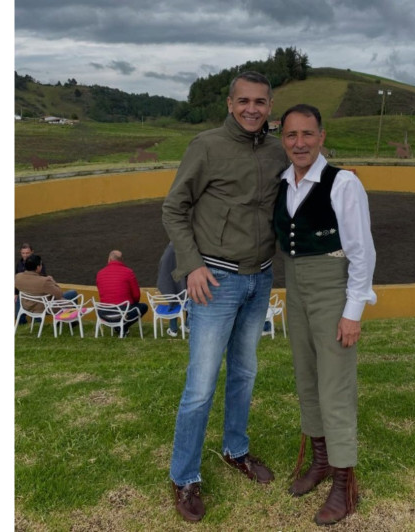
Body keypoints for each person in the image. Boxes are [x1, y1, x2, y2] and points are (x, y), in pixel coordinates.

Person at [162, 71, 289, 522]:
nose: (252, 108)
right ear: (230, 103)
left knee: (245, 373)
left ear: (269, 105)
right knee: (200, 386)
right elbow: (174, 206)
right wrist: (191, 265)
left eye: (260, 101)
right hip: (215, 279)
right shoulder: (207, 146)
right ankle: (185, 476)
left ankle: (236, 448)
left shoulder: (278, 150)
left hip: (261, 277)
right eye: (244, 101)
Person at [274, 104, 377, 526]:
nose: (299, 143)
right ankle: (319, 461)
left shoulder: (343, 183)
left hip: (332, 289)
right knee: (307, 378)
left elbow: (362, 251)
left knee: (335, 385)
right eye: (291, 135)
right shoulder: (281, 182)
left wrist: (352, 312)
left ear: (321, 136)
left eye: (307, 134)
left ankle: (343, 482)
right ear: (283, 139)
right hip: (295, 288)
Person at [15, 243, 76, 324]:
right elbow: (59, 294)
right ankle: (72, 321)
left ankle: (22, 322)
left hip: (26, 305)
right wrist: (52, 281)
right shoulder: (44, 281)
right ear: (38, 267)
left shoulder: (18, 277)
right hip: (42, 307)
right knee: (72, 293)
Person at [95, 250, 148, 338]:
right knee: (143, 307)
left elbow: (101, 292)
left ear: (109, 259)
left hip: (103, 312)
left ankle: (118, 327)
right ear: (121, 260)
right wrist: (133, 302)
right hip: (123, 311)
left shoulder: (100, 274)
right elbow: (136, 295)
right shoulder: (128, 272)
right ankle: (122, 327)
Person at [156, 241, 186, 337]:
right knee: (188, 298)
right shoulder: (186, 249)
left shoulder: (169, 250)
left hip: (172, 279)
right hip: (184, 279)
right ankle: (188, 325)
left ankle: (173, 329)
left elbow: (162, 267)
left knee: (174, 299)